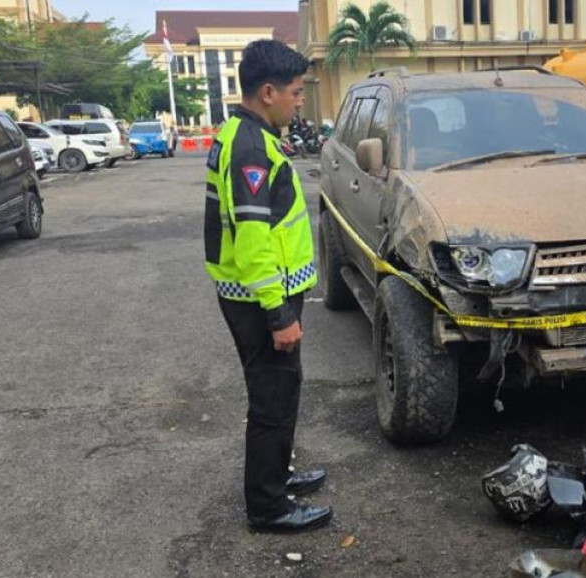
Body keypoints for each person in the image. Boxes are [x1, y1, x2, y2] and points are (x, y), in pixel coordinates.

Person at [203, 39, 331, 534]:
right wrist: (279, 315)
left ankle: (278, 478)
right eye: (296, 93)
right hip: (260, 299)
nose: (300, 101)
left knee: (280, 391)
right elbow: (253, 238)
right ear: (269, 91)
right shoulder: (251, 148)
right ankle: (268, 506)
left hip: (258, 293)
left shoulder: (242, 133)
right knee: (273, 398)